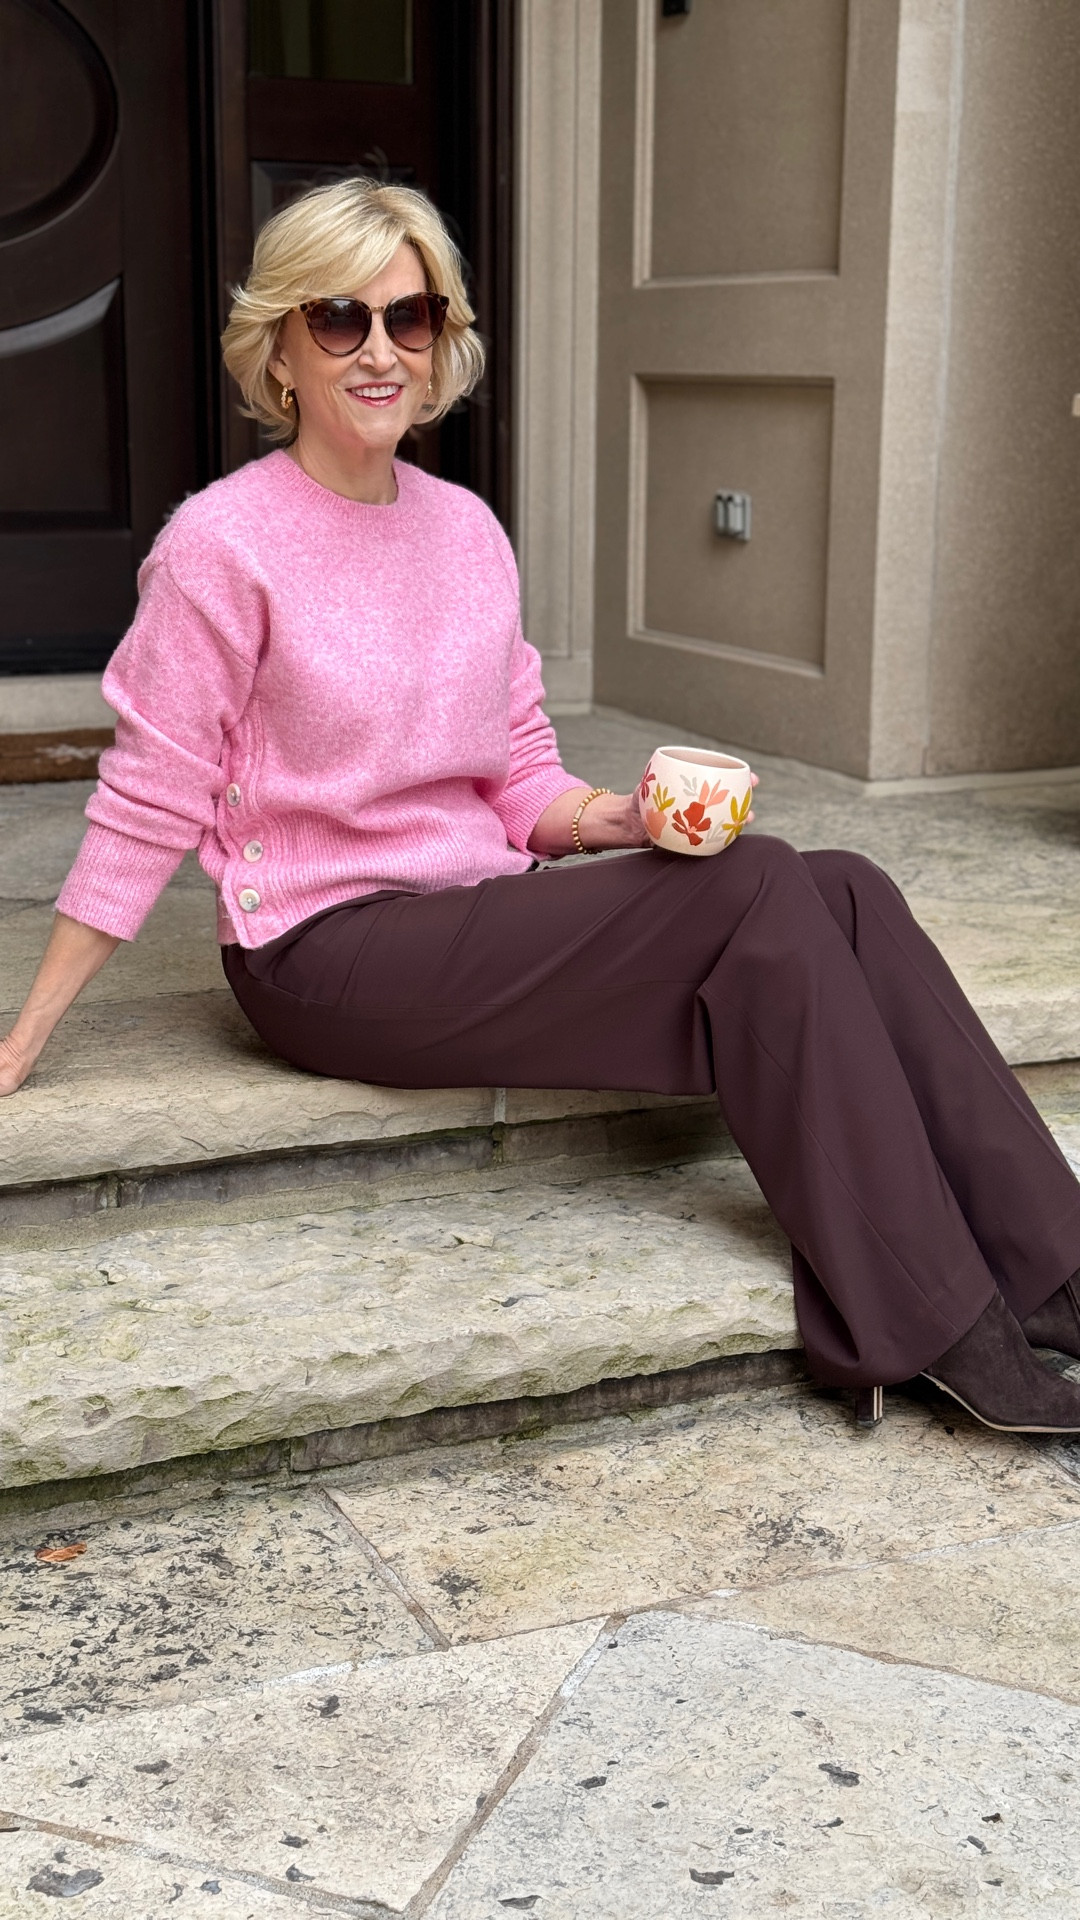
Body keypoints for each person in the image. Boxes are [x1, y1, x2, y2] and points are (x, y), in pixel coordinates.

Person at [3, 179, 1079, 1434]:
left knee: (841, 885)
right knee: (768, 888)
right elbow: (148, 795)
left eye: (412, 319)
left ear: (443, 340)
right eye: (339, 318)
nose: (379, 351)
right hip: (322, 953)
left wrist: (619, 821)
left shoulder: (465, 532)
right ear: (281, 346)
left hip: (474, 919)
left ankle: (1055, 1269)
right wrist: (26, 1038)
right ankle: (937, 1325)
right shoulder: (220, 545)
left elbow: (515, 770)